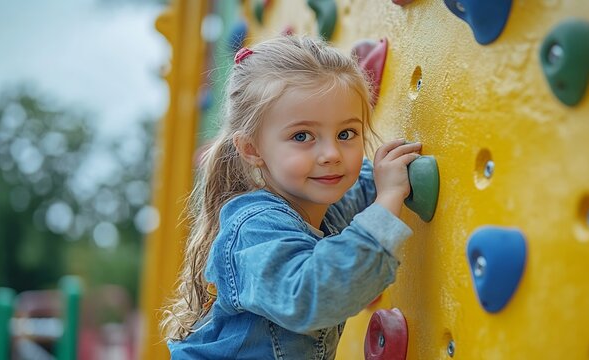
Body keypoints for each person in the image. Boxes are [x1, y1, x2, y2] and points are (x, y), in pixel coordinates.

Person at [162, 35, 422, 359]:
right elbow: (313, 296)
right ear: (252, 149)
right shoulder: (255, 227)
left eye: (346, 134)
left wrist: (397, 172)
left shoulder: (325, 201)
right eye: (302, 136)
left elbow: (372, 180)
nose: (331, 154)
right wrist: (390, 198)